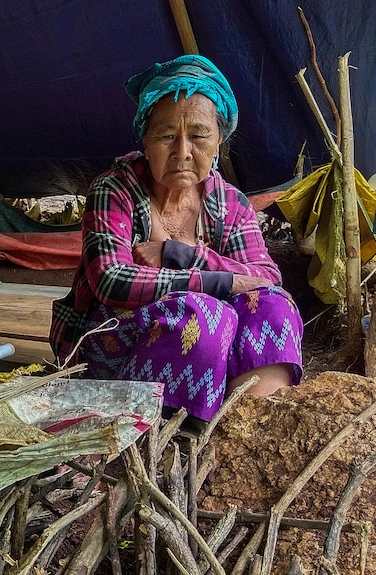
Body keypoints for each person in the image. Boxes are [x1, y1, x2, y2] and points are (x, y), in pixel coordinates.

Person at [49, 54, 303, 423]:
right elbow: (111, 279)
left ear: (219, 143)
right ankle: (166, 432)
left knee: (275, 307)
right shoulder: (115, 190)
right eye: (166, 136)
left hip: (208, 354)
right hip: (109, 356)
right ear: (146, 141)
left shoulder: (230, 203)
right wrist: (219, 283)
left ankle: (243, 427)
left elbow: (265, 280)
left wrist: (181, 254)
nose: (182, 151)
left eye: (199, 136)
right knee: (203, 313)